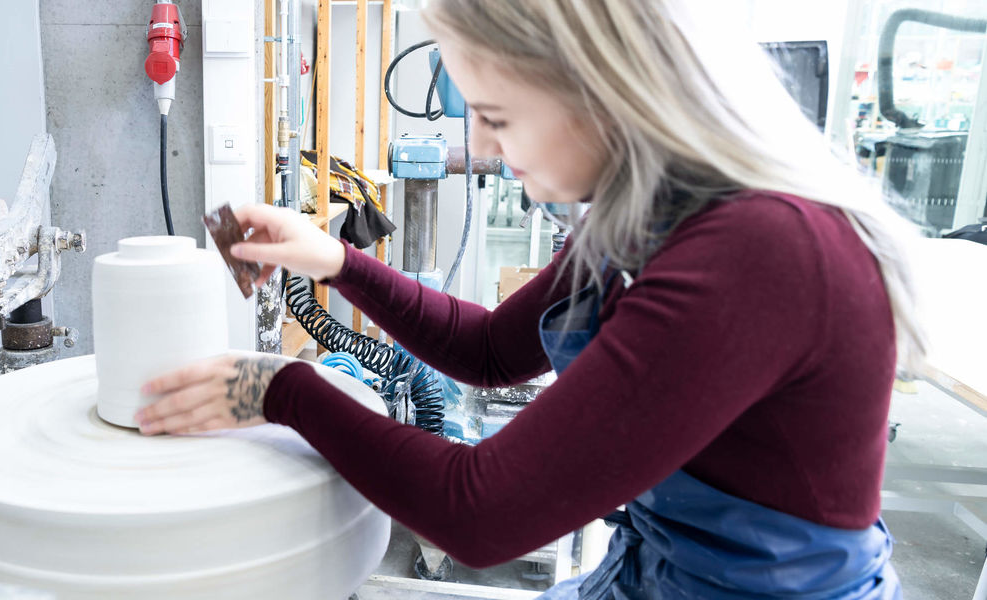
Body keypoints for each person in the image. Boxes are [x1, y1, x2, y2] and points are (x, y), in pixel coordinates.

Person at [136, 1, 926, 597]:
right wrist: (335, 260)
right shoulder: (647, 212)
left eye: (498, 116)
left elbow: (480, 515)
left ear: (606, 89)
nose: (481, 146)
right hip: (657, 571)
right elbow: (487, 350)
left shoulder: (758, 252)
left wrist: (281, 390)